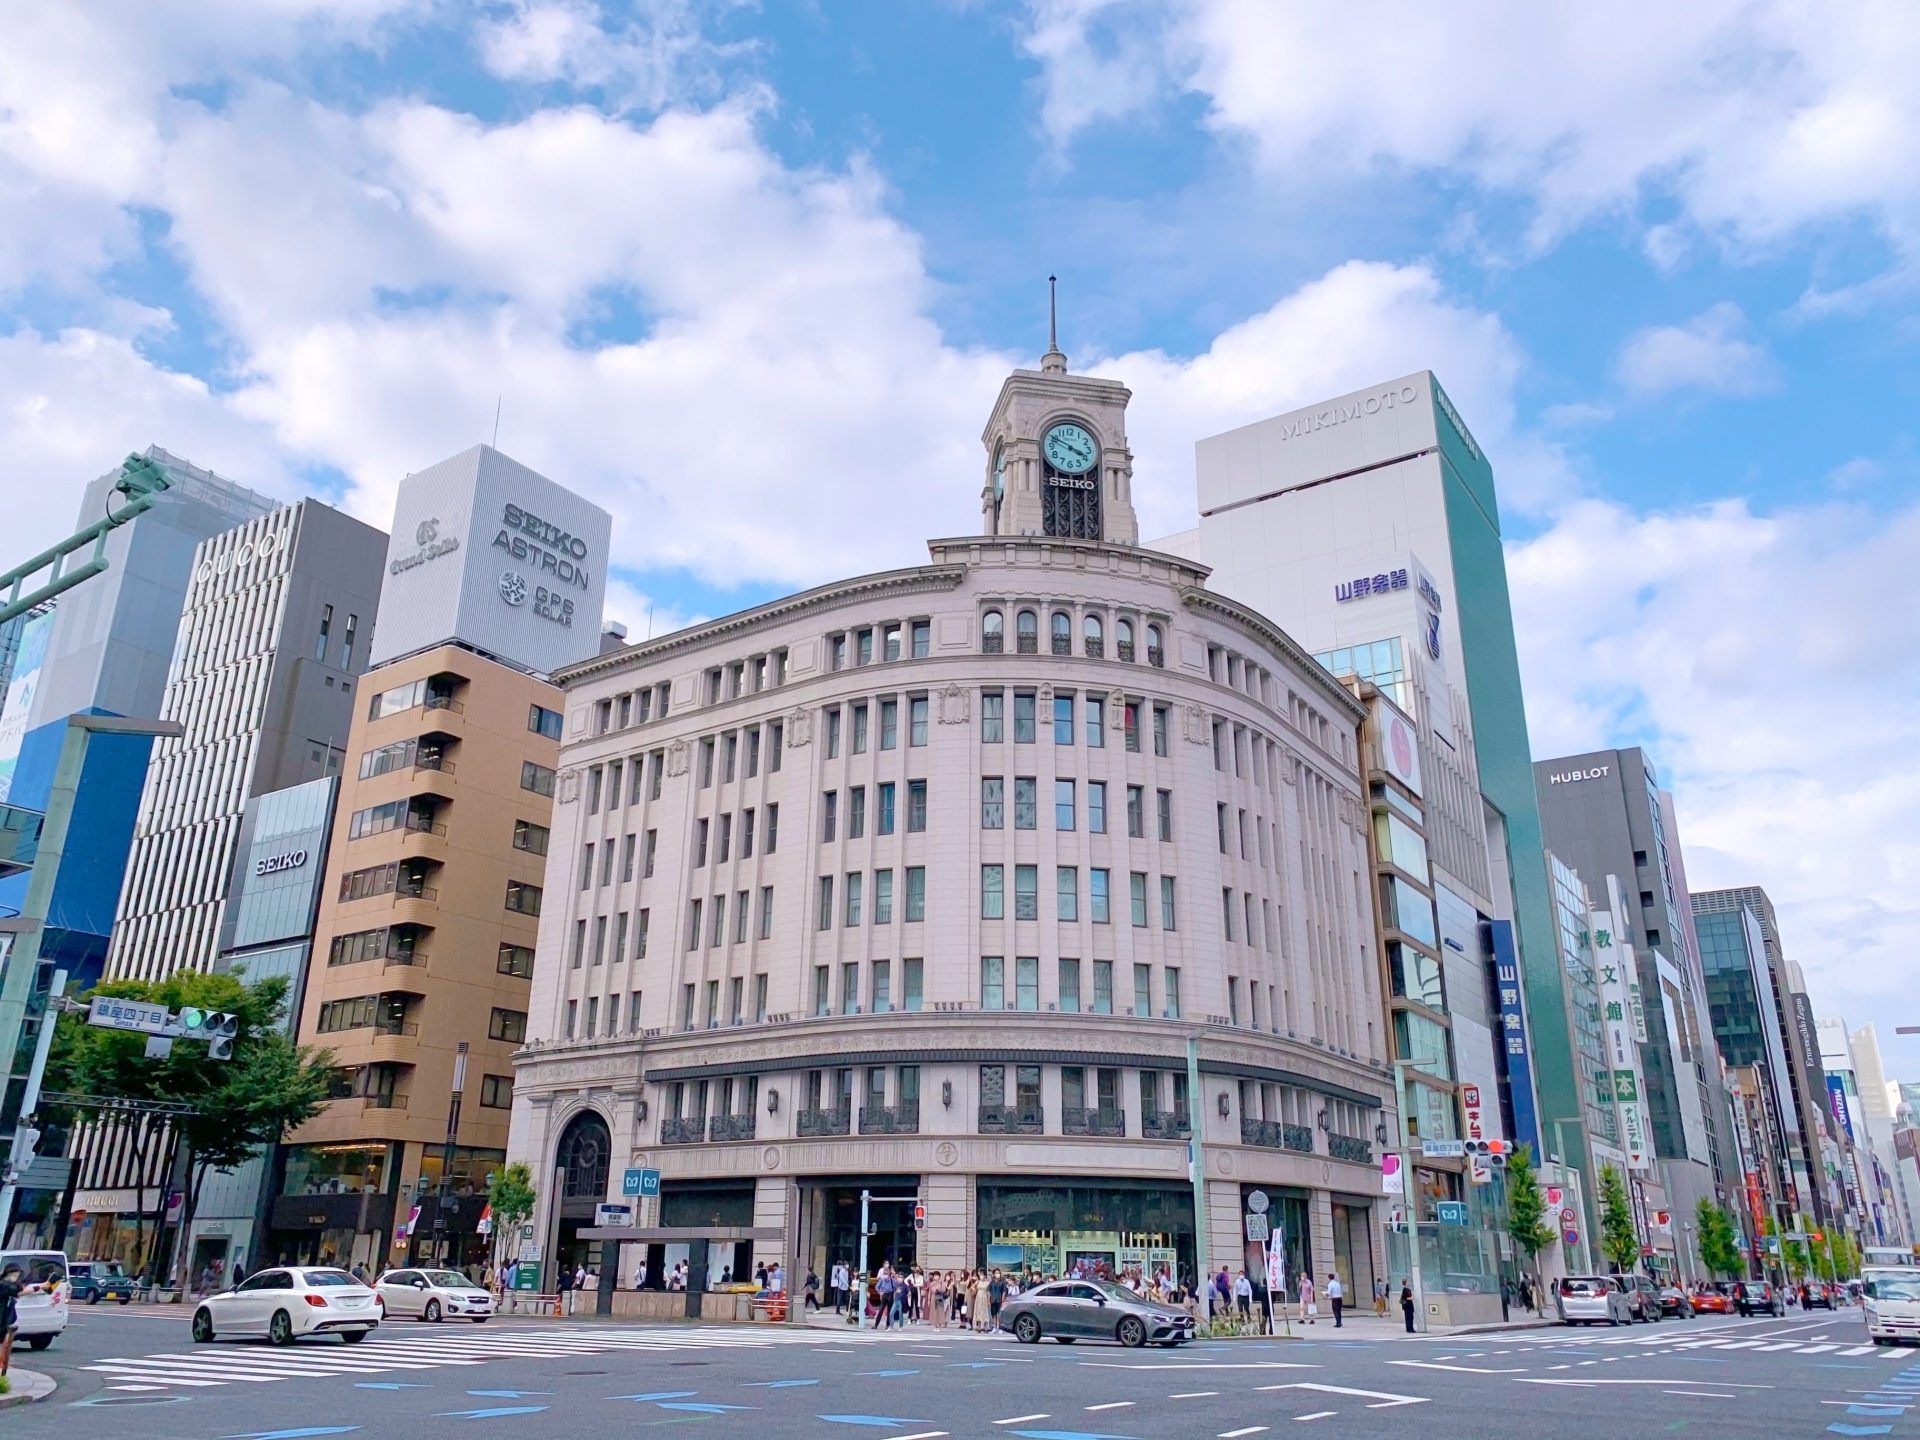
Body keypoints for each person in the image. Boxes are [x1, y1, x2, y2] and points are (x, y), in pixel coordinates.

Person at [0, 1261, 22, 1377]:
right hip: (2, 1320)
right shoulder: (4, 1285)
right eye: (15, 1275)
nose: (16, 1278)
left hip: (5, 1320)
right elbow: (19, 1291)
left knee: (4, 1344)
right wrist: (40, 1286)